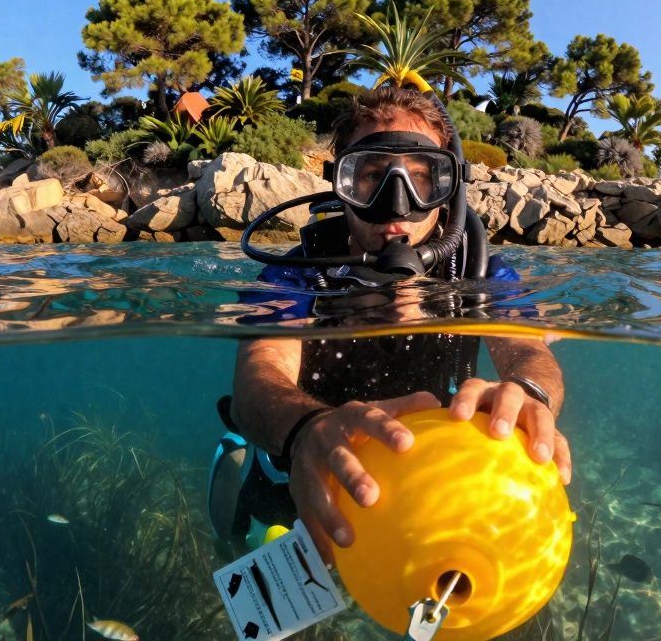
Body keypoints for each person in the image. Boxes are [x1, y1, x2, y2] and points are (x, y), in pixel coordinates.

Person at [210, 86, 571, 560]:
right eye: (371, 177)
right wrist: (303, 431)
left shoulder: (478, 272)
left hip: (417, 474)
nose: (397, 205)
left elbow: (529, 351)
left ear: (451, 190)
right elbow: (259, 372)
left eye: (423, 179)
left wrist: (530, 392)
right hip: (303, 466)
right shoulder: (298, 272)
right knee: (241, 542)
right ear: (341, 187)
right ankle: (234, 455)